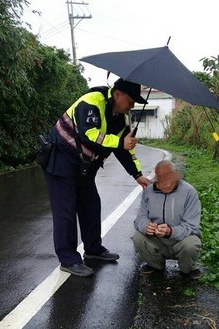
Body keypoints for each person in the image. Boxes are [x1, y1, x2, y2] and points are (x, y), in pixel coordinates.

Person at [43, 78, 151, 277]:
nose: (132, 106)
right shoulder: (92, 101)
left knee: (91, 205)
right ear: (117, 94)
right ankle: (68, 260)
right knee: (66, 211)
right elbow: (89, 135)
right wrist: (120, 142)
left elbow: (124, 150)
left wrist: (137, 174)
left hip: (84, 167)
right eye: (130, 101)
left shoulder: (119, 118)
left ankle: (93, 249)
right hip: (61, 162)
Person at [132, 160, 203, 279]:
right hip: (157, 240)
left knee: (191, 244)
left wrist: (170, 231)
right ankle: (155, 265)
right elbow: (140, 218)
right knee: (138, 237)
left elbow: (192, 225)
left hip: (181, 240)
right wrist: (146, 226)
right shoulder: (148, 191)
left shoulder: (189, 192)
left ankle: (188, 267)